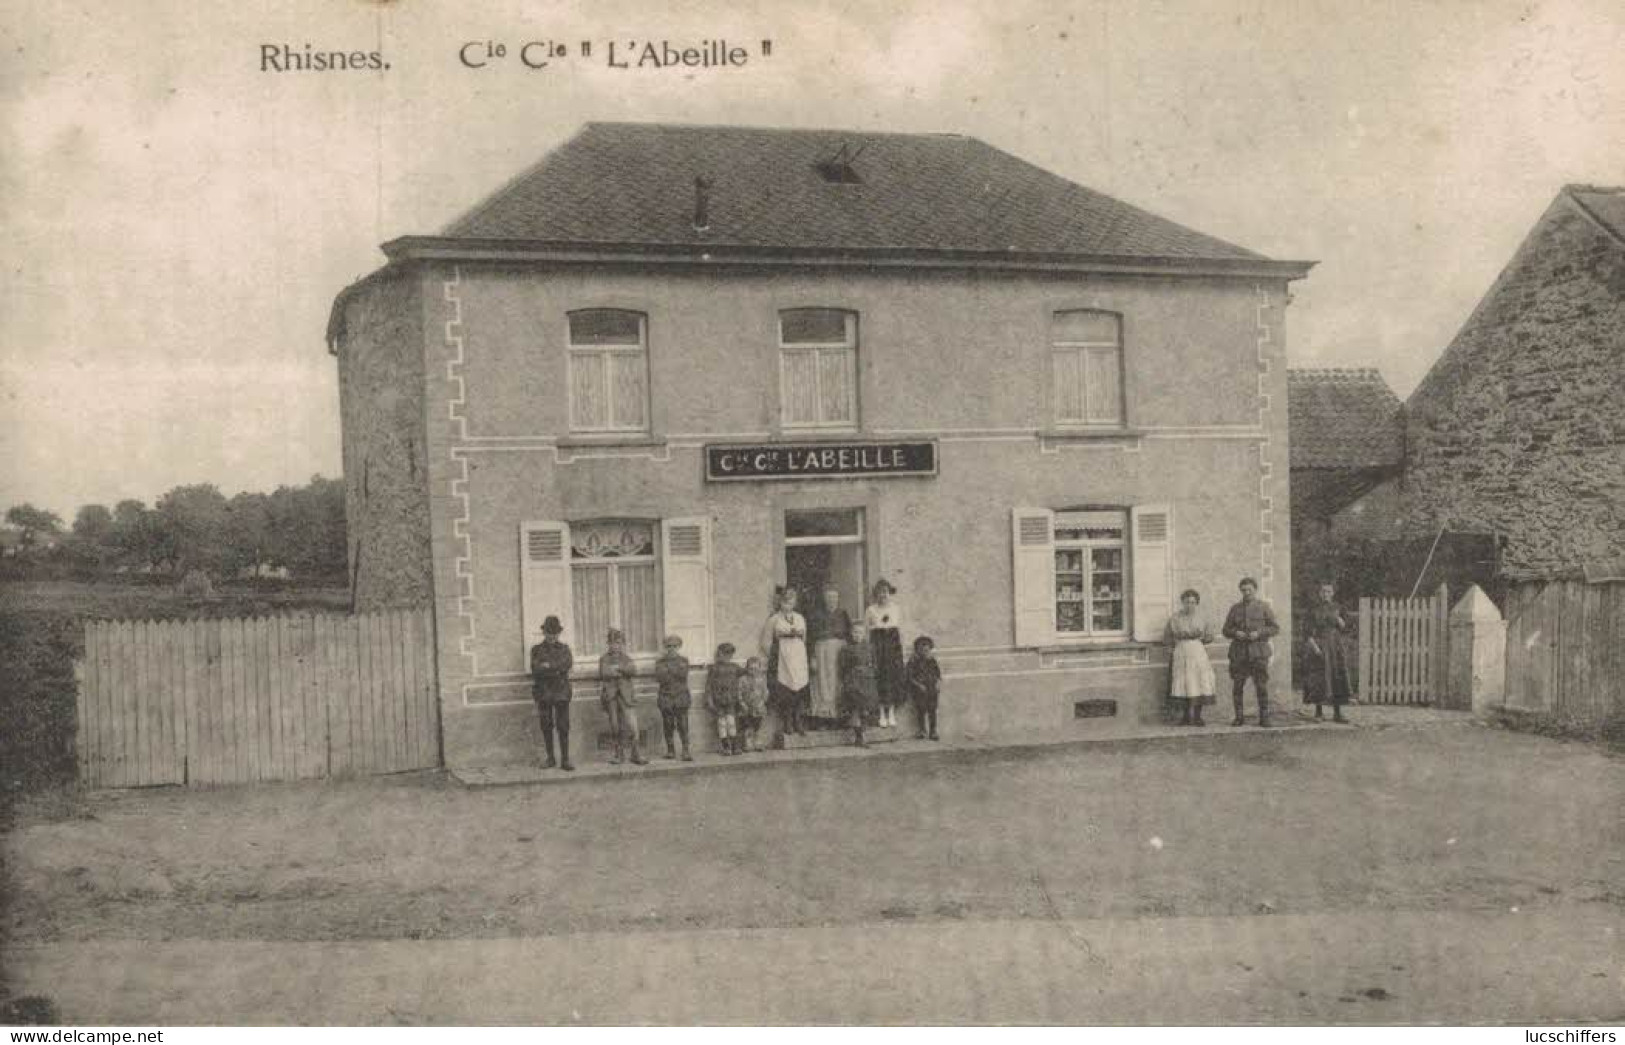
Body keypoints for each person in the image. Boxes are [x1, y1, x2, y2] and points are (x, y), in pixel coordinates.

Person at [1222, 577, 1280, 727]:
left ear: (1255, 590)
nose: (1246, 593)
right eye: (1243, 590)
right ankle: (1239, 717)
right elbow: (1226, 630)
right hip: (1239, 653)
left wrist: (1259, 633)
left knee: (1261, 686)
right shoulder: (1235, 609)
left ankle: (1264, 717)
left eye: (1249, 590)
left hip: (1258, 653)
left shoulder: (1264, 607)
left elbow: (1275, 628)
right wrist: (1236, 633)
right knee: (1238, 686)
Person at [760, 586, 810, 738]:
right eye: (785, 602)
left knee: (800, 687)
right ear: (780, 603)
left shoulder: (800, 618)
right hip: (783, 656)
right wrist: (774, 656)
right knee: (786, 689)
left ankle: (798, 720)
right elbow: (766, 641)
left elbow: (804, 638)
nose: (788, 605)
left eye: (791, 602)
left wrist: (801, 654)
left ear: (795, 603)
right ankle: (787, 721)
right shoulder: (774, 619)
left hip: (798, 655)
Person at [1302, 582, 1354, 723]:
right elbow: (1307, 632)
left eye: (1329, 591)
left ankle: (1337, 713)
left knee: (1337, 676)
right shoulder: (1313, 609)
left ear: (1333, 593)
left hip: (1335, 646)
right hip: (1319, 644)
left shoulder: (1339, 608)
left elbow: (1346, 627)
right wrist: (1315, 647)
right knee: (1320, 678)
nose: (1326, 594)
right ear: (1319, 593)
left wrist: (1340, 620)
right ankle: (1319, 713)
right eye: (1323, 591)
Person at [528, 615, 575, 771]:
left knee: (563, 726)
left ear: (558, 633)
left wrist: (548, 666)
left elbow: (566, 665)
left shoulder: (564, 649)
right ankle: (550, 759)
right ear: (544, 633)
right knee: (546, 726)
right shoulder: (536, 650)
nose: (552, 635)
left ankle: (565, 760)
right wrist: (554, 668)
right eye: (549, 632)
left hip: (561, 693)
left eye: (555, 632)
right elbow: (536, 669)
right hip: (544, 693)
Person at [1165, 589, 1217, 727]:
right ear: (1182, 603)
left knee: (1198, 682)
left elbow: (1209, 636)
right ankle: (1186, 717)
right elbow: (1168, 636)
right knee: (1183, 683)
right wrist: (1173, 645)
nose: (1190, 605)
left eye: (1193, 602)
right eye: (1187, 602)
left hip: (1197, 651)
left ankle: (1198, 717)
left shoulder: (1203, 617)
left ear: (1197, 603)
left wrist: (1198, 638)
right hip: (1181, 651)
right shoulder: (1175, 618)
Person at [598, 627, 647, 765]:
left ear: (622, 644)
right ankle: (618, 754)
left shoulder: (627, 658)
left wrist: (618, 669)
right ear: (608, 644)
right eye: (612, 643)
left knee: (632, 725)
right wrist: (620, 671)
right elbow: (604, 673)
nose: (615, 646)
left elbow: (633, 670)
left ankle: (635, 753)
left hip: (626, 696)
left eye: (618, 643)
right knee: (615, 725)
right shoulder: (604, 659)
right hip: (611, 696)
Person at [865, 579, 907, 730]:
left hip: (893, 646)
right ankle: (882, 713)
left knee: (893, 677)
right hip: (879, 646)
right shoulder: (871, 610)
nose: (883, 595)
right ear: (876, 594)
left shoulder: (896, 609)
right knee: (881, 678)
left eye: (885, 592)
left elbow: (899, 630)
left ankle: (892, 714)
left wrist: (901, 650)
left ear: (889, 593)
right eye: (880, 592)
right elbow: (867, 632)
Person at [807, 585, 852, 723]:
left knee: (836, 681)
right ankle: (822, 718)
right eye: (828, 597)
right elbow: (811, 637)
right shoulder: (817, 615)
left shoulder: (843, 614)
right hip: (821, 651)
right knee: (821, 682)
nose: (831, 600)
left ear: (838, 599)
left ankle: (838, 717)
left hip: (838, 650)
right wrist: (812, 657)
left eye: (834, 597)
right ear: (824, 599)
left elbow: (849, 635)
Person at [838, 620, 879, 747]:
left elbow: (875, 663)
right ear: (851, 633)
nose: (857, 635)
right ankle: (859, 737)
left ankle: (862, 735)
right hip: (853, 680)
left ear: (865, 634)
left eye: (860, 632)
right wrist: (847, 679)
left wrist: (871, 671)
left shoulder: (870, 647)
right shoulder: (846, 648)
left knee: (866, 709)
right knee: (855, 708)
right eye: (855, 632)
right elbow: (843, 666)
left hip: (867, 680)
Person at [654, 634, 694, 761]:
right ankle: (670, 750)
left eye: (674, 646)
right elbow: (661, 678)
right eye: (668, 646)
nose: (671, 649)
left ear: (679, 647)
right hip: (666, 696)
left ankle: (686, 750)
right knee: (668, 724)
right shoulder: (660, 662)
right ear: (665, 647)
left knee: (683, 724)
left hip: (681, 696)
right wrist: (673, 670)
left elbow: (682, 675)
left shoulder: (684, 660)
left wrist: (669, 670)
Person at [706, 642, 745, 755]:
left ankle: (735, 745)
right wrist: (709, 700)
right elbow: (708, 685)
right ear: (719, 654)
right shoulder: (714, 668)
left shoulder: (735, 667)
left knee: (731, 722)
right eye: (724, 653)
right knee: (721, 723)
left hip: (731, 699)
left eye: (729, 654)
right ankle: (725, 746)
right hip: (718, 700)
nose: (726, 656)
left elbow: (746, 673)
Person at [906, 635, 942, 740]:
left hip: (932, 689)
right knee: (921, 710)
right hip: (920, 690)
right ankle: (922, 730)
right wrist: (919, 685)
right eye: (922, 649)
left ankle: (933, 731)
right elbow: (910, 677)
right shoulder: (913, 661)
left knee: (932, 710)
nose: (925, 651)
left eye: (927, 649)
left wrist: (938, 683)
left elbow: (938, 674)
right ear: (917, 650)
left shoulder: (932, 661)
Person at [739, 656, 770, 752]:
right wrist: (742, 703)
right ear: (747, 668)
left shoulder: (761, 679)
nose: (753, 671)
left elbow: (765, 692)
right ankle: (748, 744)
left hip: (758, 707)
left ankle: (758, 743)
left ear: (759, 669)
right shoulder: (742, 679)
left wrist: (762, 702)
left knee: (758, 725)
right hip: (747, 707)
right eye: (751, 669)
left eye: (756, 669)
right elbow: (739, 692)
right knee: (748, 726)